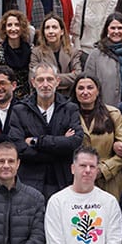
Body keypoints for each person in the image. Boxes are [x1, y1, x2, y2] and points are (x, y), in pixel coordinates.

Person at [8, 62, 85, 199]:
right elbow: (18, 147)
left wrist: (36, 141)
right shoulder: (20, 110)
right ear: (33, 82)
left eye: (49, 79)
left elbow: (76, 142)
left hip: (63, 180)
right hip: (30, 182)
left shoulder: (70, 108)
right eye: (40, 79)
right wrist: (59, 147)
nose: (45, 84)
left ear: (57, 81)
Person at [73, 74, 122, 202]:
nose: (85, 92)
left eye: (90, 88)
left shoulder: (113, 114)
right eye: (81, 88)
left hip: (109, 181)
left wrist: (102, 170)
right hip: (79, 180)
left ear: (98, 90)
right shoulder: (68, 115)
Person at [82, 13, 122, 107]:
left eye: (120, 28)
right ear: (107, 30)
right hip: (105, 109)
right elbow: (88, 83)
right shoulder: (96, 55)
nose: (116, 31)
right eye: (113, 28)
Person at [30, 14, 82, 98]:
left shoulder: (73, 52)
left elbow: (78, 76)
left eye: (54, 27)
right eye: (47, 28)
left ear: (61, 31)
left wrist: (48, 78)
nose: (51, 31)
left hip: (69, 98)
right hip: (45, 97)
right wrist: (67, 77)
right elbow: (32, 78)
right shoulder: (36, 52)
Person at [0, 10, 34, 99]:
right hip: (6, 97)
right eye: (9, 25)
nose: (13, 29)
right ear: (4, 29)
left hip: (29, 98)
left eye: (17, 25)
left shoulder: (31, 50)